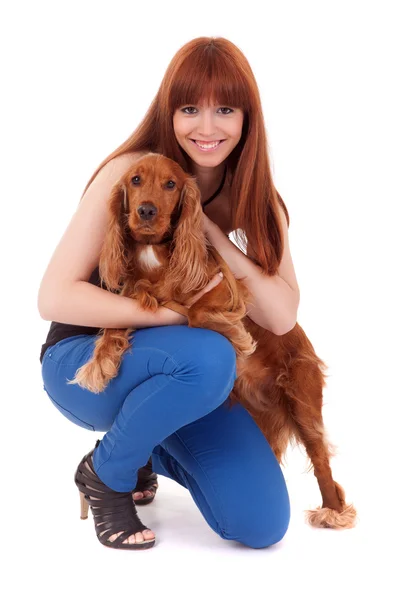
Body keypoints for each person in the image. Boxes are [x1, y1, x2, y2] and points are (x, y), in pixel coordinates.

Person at [38, 36, 300, 551]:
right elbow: (53, 297)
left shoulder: (257, 198)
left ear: (248, 118)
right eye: (189, 109)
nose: (207, 128)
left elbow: (283, 315)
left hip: (188, 381)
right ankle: (106, 472)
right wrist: (174, 317)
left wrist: (212, 233)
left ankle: (139, 448)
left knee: (261, 523)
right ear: (169, 113)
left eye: (224, 109)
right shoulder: (130, 173)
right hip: (90, 363)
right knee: (209, 351)